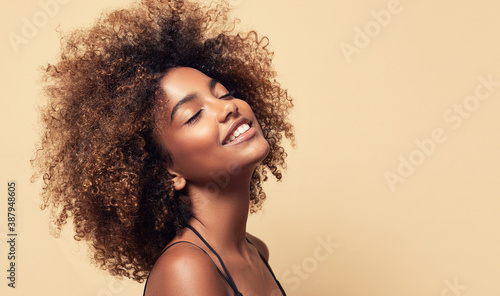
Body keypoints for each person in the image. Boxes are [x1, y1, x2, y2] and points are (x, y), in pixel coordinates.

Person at [32, 0, 294, 295]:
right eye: (193, 115)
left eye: (223, 94)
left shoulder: (255, 250)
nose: (227, 108)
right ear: (168, 172)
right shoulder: (187, 269)